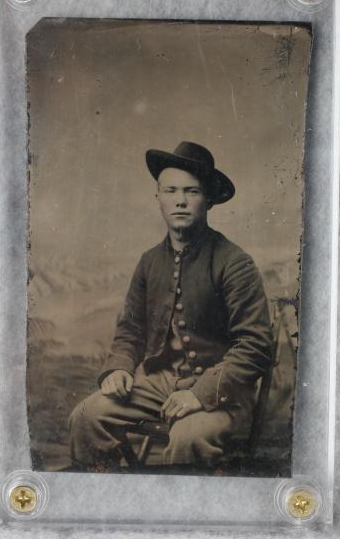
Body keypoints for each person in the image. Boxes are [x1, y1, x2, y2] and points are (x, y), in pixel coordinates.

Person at [69, 141, 273, 471]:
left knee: (188, 436)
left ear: (208, 199)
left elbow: (255, 346)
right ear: (159, 199)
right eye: (171, 190)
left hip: (221, 389)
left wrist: (199, 393)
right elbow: (130, 330)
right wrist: (120, 367)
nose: (180, 200)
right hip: (158, 382)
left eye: (191, 191)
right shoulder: (149, 262)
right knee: (87, 417)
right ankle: (106, 505)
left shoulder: (234, 262)